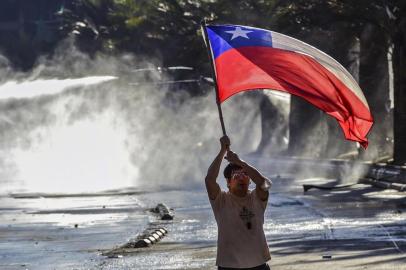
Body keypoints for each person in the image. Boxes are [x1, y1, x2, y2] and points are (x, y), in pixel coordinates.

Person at [205, 135, 272, 270]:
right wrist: (222, 151)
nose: (242, 178)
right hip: (229, 265)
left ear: (250, 180)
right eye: (237, 176)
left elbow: (266, 184)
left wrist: (241, 162)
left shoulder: (256, 198)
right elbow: (209, 180)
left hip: (258, 265)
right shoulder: (221, 200)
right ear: (228, 183)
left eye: (245, 175)